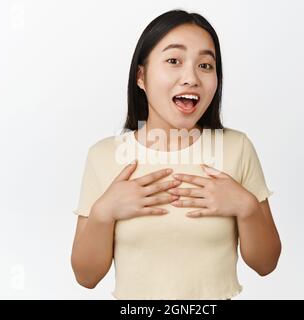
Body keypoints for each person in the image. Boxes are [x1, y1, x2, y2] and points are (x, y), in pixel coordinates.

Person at [71, 9, 281, 300]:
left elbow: (266, 264)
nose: (191, 77)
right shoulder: (105, 156)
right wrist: (103, 213)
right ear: (140, 77)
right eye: (173, 61)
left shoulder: (237, 148)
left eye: (206, 65)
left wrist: (245, 207)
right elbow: (86, 276)